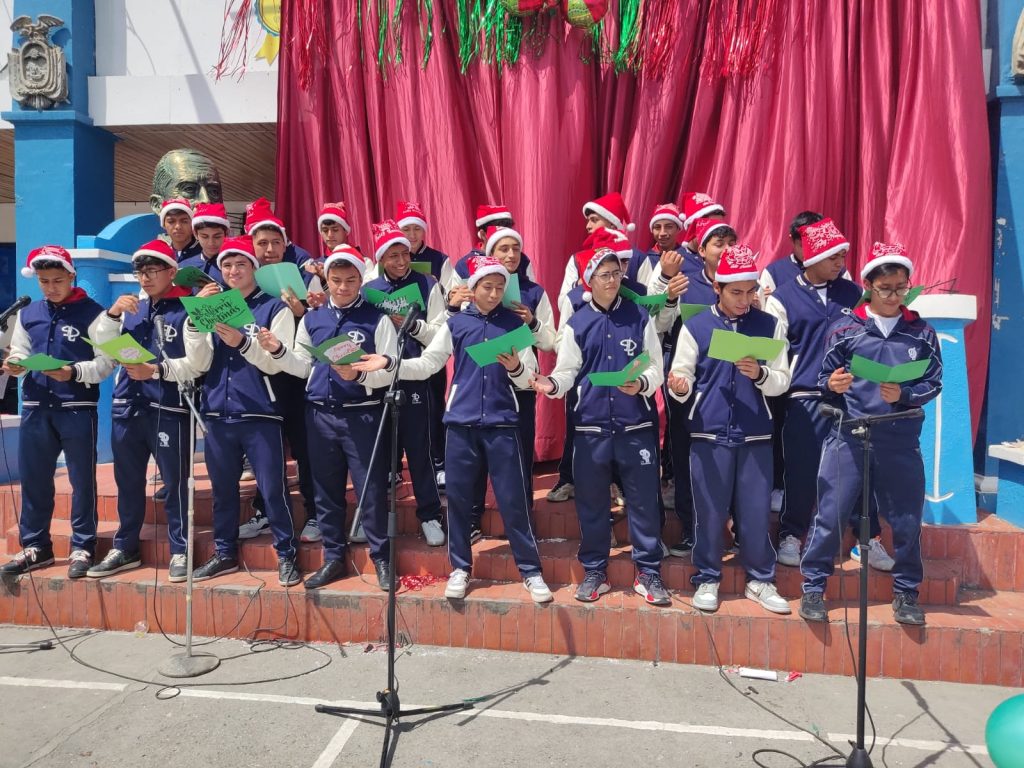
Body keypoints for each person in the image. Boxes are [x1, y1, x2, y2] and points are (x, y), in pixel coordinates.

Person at [353, 255, 553, 603]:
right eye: (486, 287)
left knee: (513, 501)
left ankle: (531, 571)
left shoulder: (514, 326)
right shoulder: (456, 324)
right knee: (458, 502)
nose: (493, 293)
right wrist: (388, 363)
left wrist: (517, 366)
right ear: (472, 290)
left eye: (499, 287)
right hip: (460, 425)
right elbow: (428, 363)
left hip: (503, 423)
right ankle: (460, 567)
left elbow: (529, 377)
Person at [799, 243, 942, 626]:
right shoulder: (845, 329)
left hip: (899, 438)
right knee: (831, 513)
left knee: (907, 519)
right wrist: (834, 383)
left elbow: (935, 382)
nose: (895, 296)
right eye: (886, 288)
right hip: (849, 434)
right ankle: (813, 586)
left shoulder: (921, 333)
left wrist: (906, 394)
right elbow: (819, 380)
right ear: (868, 286)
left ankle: (907, 592)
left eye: (901, 287)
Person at [532, 245, 671, 606]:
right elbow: (567, 371)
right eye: (604, 275)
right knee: (592, 504)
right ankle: (595, 570)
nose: (612, 280)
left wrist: (640, 384)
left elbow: (655, 368)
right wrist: (552, 384)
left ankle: (649, 572)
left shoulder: (639, 316)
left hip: (635, 426)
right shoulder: (578, 322)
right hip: (590, 429)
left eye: (616, 274)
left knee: (642, 503)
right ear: (588, 282)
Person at [259, 244, 399, 590]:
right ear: (326, 281)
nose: (342, 287)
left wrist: (361, 376)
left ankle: (382, 558)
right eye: (335, 280)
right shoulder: (312, 317)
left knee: (370, 489)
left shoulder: (376, 318)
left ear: (360, 281)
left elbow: (389, 368)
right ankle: (334, 556)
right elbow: (302, 366)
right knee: (326, 491)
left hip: (361, 415)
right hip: (320, 415)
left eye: (350, 280)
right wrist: (278, 350)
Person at [666, 244, 792, 615]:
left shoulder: (769, 325)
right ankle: (707, 576)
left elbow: (783, 380)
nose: (744, 299)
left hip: (755, 433)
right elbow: (683, 374)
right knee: (709, 510)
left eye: (750, 291)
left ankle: (760, 579)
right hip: (708, 431)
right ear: (718, 288)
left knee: (754, 510)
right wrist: (680, 387)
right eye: (735, 292)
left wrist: (761, 374)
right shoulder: (696, 325)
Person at [183, 236, 302, 587]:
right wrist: (194, 325)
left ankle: (286, 554)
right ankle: (224, 553)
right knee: (223, 489)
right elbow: (198, 362)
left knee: (272, 487)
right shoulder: (213, 305)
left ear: (253, 267)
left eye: (240, 264)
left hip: (260, 411)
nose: (234, 271)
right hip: (217, 411)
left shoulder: (273, 308)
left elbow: (278, 363)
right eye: (227, 266)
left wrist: (244, 342)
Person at [87, 240, 201, 582]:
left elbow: (199, 362)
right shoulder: (130, 307)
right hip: (128, 405)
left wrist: (157, 370)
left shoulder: (188, 308)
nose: (146, 278)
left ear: (171, 271)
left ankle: (181, 549)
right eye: (141, 271)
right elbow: (100, 342)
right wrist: (111, 314)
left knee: (176, 482)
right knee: (128, 481)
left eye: (153, 270)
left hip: (169, 406)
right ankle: (126, 547)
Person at [0, 246, 115, 577]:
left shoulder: (94, 313)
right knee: (34, 480)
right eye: (44, 281)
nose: (51, 287)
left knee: (82, 480)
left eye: (57, 280)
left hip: (77, 408)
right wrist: (16, 365)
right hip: (36, 406)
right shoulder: (29, 313)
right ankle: (36, 546)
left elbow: (106, 364)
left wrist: (73, 372)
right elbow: (20, 349)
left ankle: (83, 546)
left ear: (71, 276)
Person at [762, 218, 869, 569]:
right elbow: (776, 352)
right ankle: (792, 534)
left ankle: (866, 538)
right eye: (833, 256)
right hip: (804, 398)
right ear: (812, 257)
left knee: (856, 469)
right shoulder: (781, 298)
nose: (841, 262)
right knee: (802, 471)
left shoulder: (853, 294)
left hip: (849, 398)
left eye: (843, 255)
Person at [235, 204, 320, 544]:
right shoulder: (242, 278)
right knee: (265, 452)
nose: (269, 250)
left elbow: (320, 325)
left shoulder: (305, 276)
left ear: (285, 245)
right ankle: (264, 512)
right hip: (256, 376)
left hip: (294, 376)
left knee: (304, 446)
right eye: (262, 243)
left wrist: (302, 312)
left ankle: (314, 513)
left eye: (275, 242)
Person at [362, 220, 447, 547]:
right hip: (379, 377)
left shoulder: (427, 284)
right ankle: (374, 519)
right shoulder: (370, 289)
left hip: (415, 374)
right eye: (392, 256)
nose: (400, 261)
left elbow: (441, 332)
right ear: (381, 258)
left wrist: (412, 326)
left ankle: (429, 515)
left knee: (420, 448)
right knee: (380, 451)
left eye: (404, 254)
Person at [661, 218, 738, 557]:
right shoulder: (685, 282)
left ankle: (734, 528)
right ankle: (692, 527)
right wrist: (667, 298)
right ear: (701, 250)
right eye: (718, 244)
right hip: (689, 382)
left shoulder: (744, 284)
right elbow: (660, 325)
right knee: (686, 453)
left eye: (730, 244)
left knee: (733, 457)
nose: (725, 251)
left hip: (733, 382)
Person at [396, 200, 453, 483]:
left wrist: (436, 284)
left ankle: (438, 461)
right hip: (396, 345)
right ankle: (393, 467)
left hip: (429, 344)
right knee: (393, 406)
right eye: (406, 228)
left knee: (432, 405)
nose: (412, 234)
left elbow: (453, 298)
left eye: (417, 228)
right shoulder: (388, 259)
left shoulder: (440, 260)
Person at [178, 202, 230, 284]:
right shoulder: (184, 266)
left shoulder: (235, 267)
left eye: (217, 236)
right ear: (195, 234)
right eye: (204, 237)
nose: (211, 243)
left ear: (226, 233)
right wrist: (198, 297)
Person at [159, 198, 203, 262]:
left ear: (192, 224)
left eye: (184, 221)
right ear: (164, 225)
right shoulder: (160, 256)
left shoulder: (206, 253)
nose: (178, 226)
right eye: (171, 221)